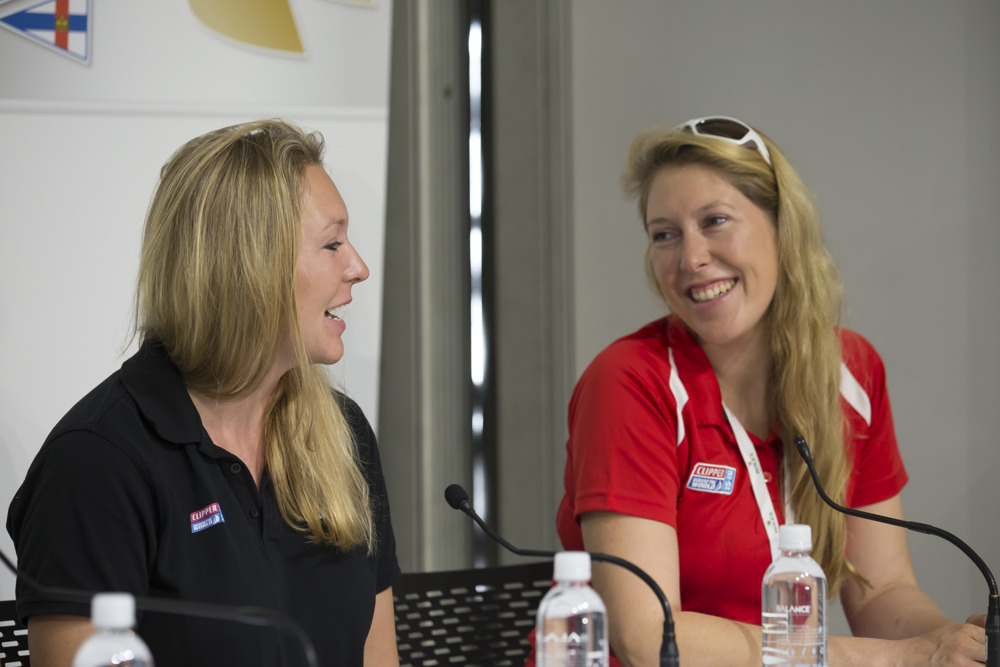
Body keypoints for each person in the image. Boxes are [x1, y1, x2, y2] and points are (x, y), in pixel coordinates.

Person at [528, 116, 987, 666]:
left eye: (714, 221)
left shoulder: (853, 371)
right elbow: (648, 637)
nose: (690, 258)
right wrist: (897, 659)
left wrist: (950, 646)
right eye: (664, 234)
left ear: (782, 228)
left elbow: (883, 591)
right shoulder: (629, 381)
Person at [6, 119, 400, 667]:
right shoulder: (96, 462)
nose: (358, 267)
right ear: (248, 267)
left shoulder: (344, 432)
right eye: (332, 244)